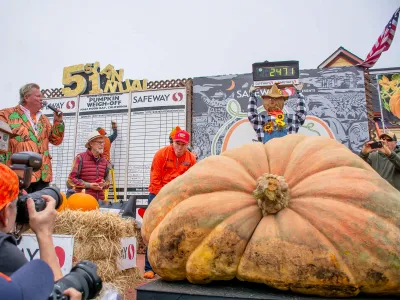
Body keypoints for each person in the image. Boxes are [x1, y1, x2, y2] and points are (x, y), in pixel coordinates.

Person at [0, 164, 82, 299]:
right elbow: (54, 294)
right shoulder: (5, 253)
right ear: (5, 215)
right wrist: (44, 232)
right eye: (16, 205)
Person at [144, 129, 196, 279]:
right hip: (158, 194)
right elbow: (155, 178)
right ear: (172, 142)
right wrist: (162, 197)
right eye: (177, 144)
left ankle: (173, 266)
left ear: (187, 145)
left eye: (183, 145)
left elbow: (190, 180)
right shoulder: (161, 154)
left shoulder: (191, 159)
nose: (179, 148)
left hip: (177, 197)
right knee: (152, 230)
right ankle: (149, 267)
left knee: (177, 230)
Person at [0, 83, 64, 193]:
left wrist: (58, 121)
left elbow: (56, 140)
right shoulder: (6, 114)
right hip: (18, 173)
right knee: (20, 207)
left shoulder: (44, 119)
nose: (42, 99)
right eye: (38, 96)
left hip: (43, 174)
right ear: (26, 97)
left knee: (40, 206)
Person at [67, 131, 110, 201]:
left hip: (99, 201)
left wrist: (103, 184)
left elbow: (108, 182)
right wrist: (89, 185)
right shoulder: (80, 158)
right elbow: (71, 180)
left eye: (103, 142)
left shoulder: (105, 161)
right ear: (91, 144)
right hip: (82, 200)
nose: (102, 145)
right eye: (99, 142)